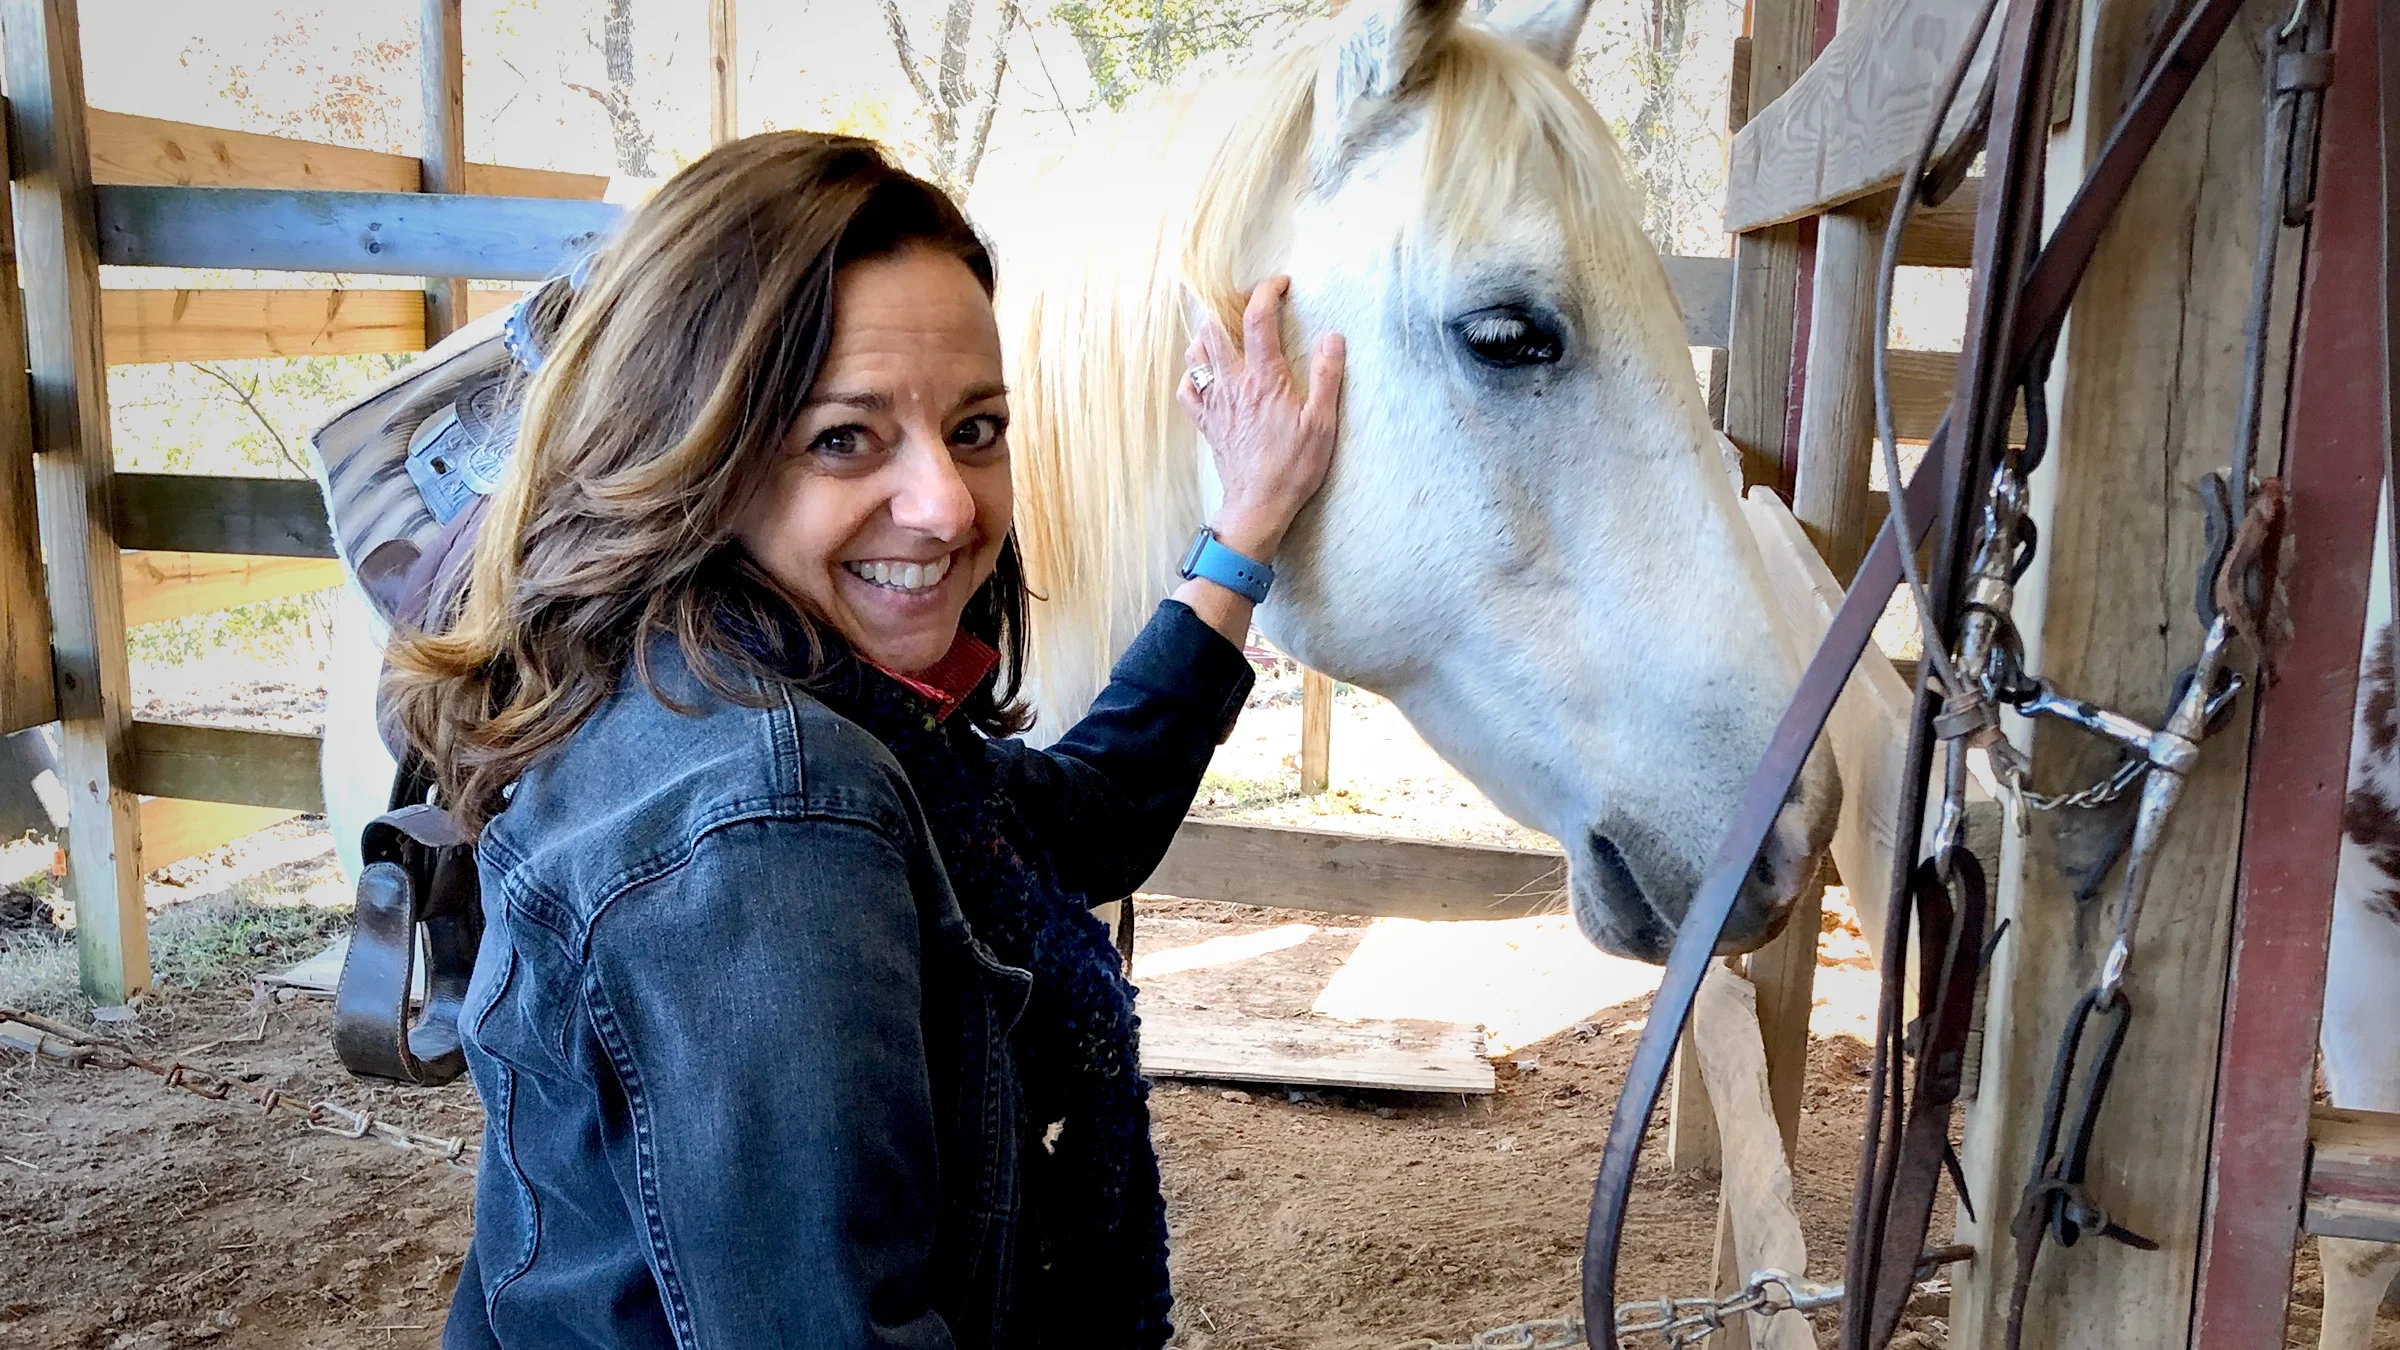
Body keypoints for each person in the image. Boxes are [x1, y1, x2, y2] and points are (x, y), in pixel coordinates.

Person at [385, 131, 1343, 1349]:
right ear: (699, 447)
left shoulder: (745, 685)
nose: (946, 504)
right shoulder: (775, 814)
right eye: (846, 437)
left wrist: (1242, 527)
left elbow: (1081, 818)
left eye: (977, 429)